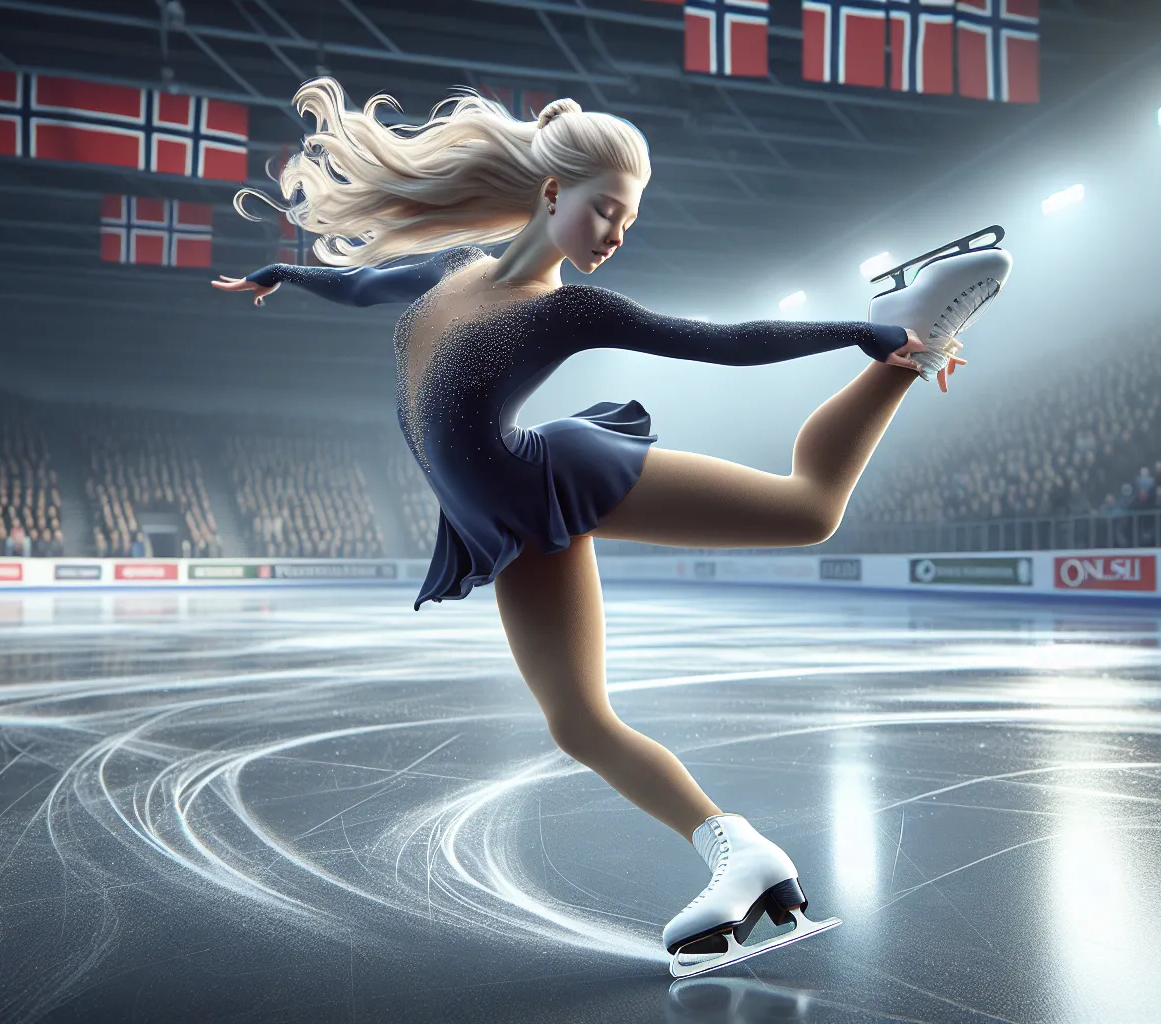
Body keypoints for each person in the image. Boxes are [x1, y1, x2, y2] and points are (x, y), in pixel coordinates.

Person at [213, 78, 1002, 980]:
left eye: (629, 219)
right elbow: (362, 287)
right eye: (608, 211)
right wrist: (287, 274)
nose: (618, 233)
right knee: (579, 723)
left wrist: (857, 336)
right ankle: (739, 852)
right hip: (507, 522)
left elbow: (721, 341)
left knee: (809, 510)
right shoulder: (451, 270)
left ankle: (907, 343)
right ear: (553, 193)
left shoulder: (569, 308)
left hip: (550, 478)